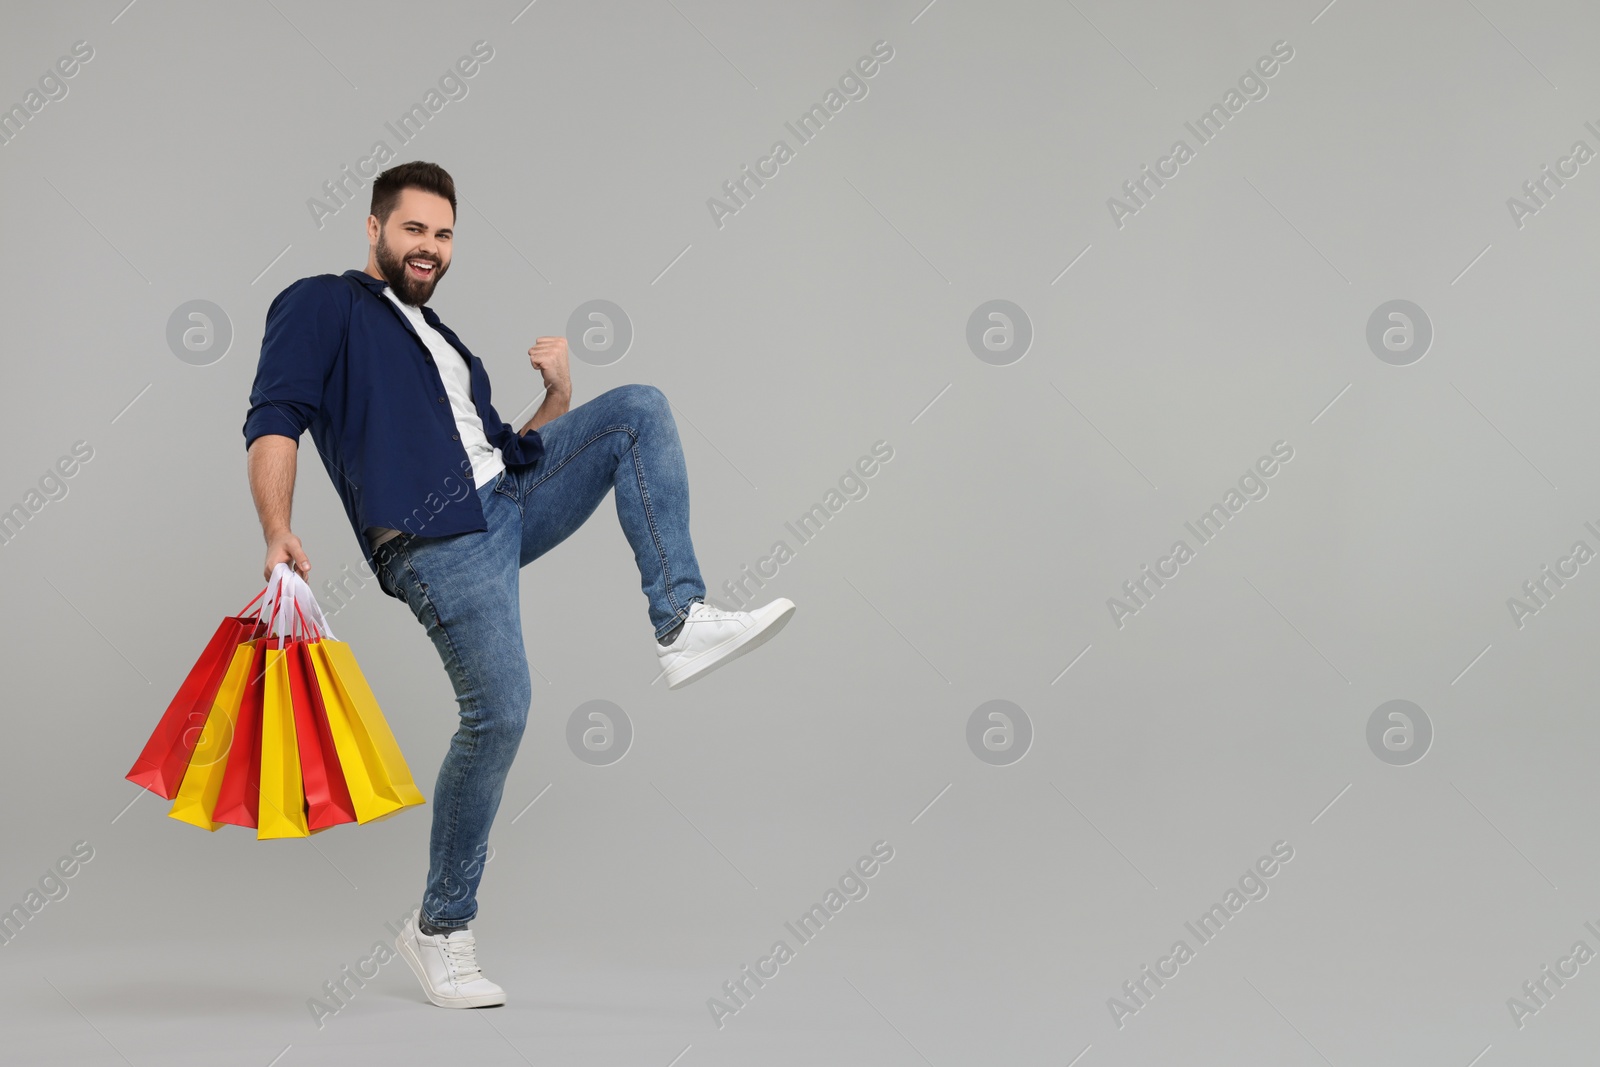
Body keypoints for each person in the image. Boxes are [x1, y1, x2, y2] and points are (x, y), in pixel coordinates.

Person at [241, 160, 795, 1009]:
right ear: (374, 229)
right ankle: (440, 928)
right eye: (413, 229)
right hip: (434, 541)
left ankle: (679, 618)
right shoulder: (323, 303)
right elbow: (274, 414)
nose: (429, 247)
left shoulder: (447, 344)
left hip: (505, 498)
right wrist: (277, 529)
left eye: (444, 234)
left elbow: (507, 451)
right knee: (501, 710)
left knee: (636, 408)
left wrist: (562, 398)